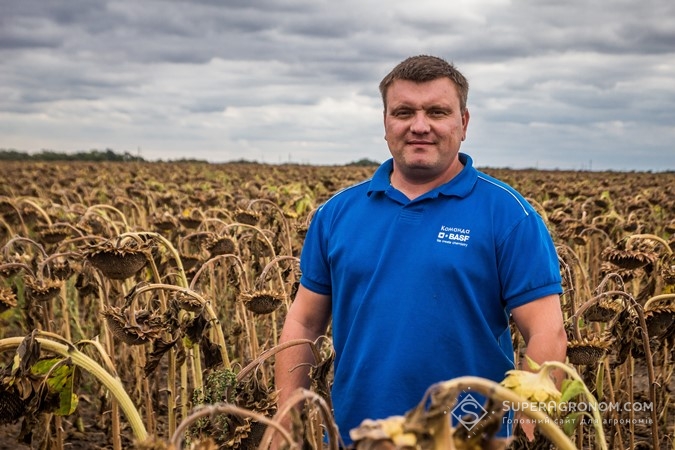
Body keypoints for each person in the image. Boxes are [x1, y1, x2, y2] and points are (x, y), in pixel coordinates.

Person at [274, 55, 567, 448]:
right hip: (355, 437)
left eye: (437, 112)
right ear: (385, 123)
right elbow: (304, 325)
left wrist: (530, 434)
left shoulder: (508, 215)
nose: (419, 126)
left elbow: (547, 332)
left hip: (471, 438)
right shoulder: (336, 214)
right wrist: (285, 422)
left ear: (463, 123)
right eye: (404, 112)